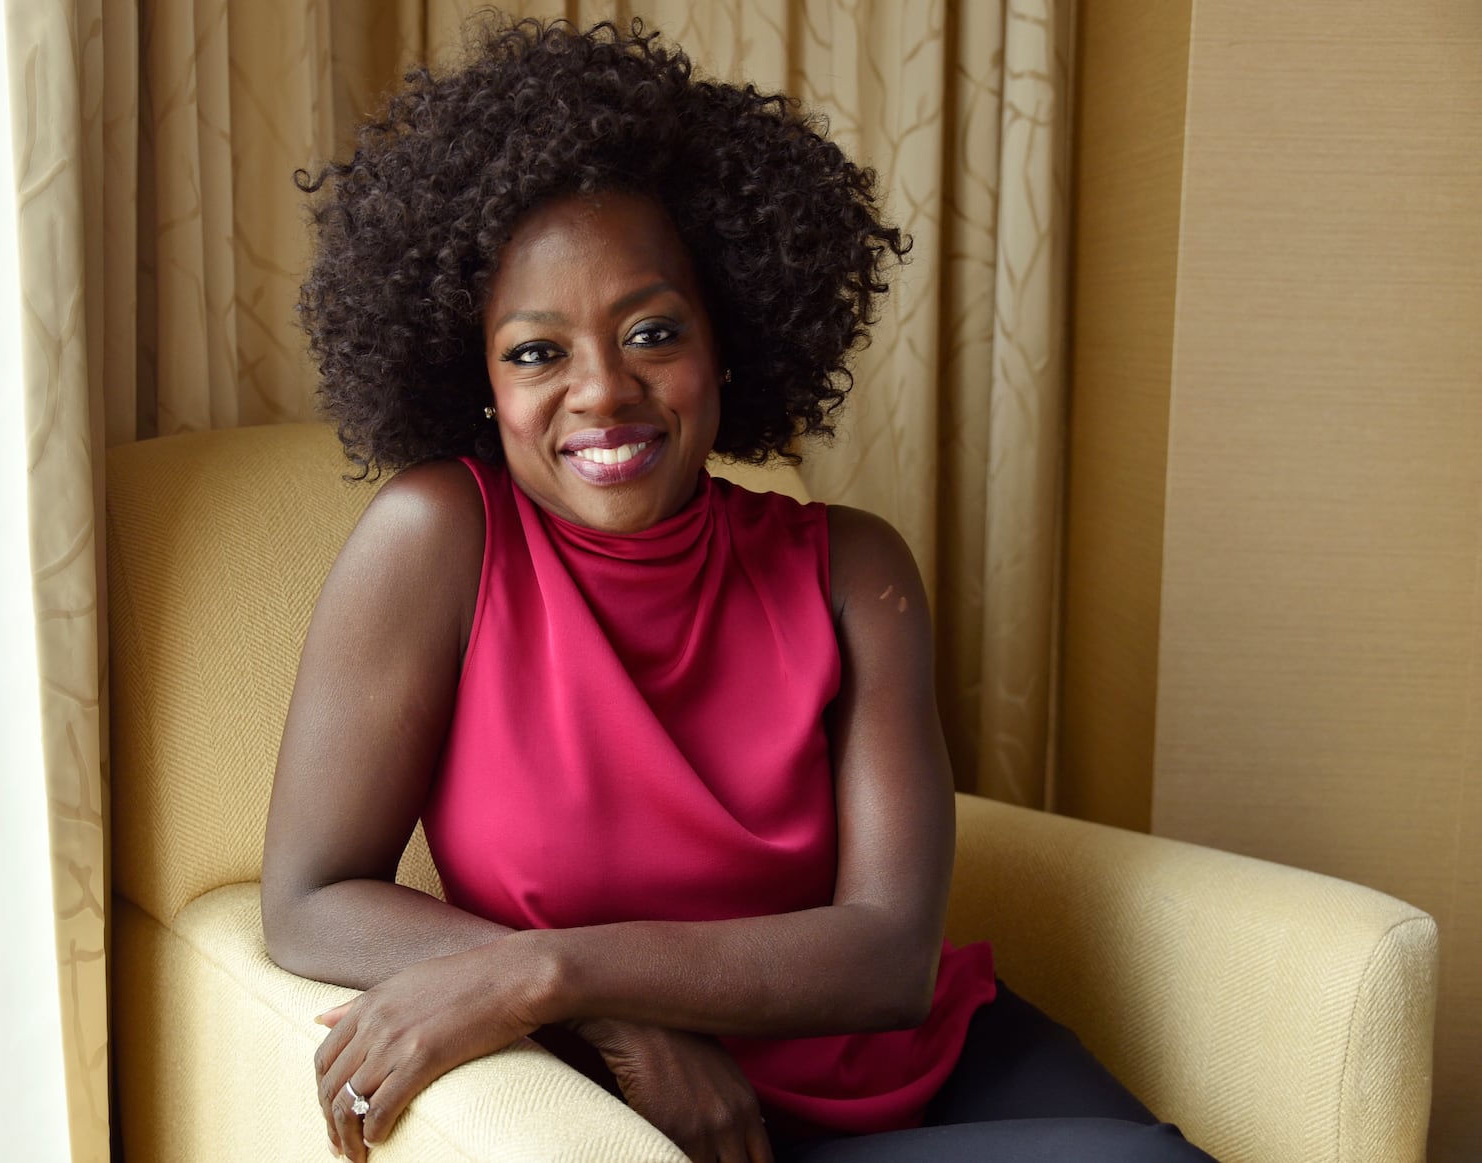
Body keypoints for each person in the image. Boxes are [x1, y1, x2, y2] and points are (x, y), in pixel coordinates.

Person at [261, 17, 1218, 1163]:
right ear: (476, 378)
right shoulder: (437, 540)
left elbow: (887, 956)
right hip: (703, 1124)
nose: (602, 390)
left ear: (727, 341)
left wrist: (553, 971)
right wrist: (611, 1021)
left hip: (936, 1066)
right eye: (535, 351)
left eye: (651, 332)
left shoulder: (853, 569)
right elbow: (311, 895)